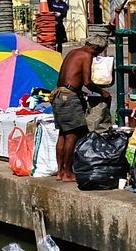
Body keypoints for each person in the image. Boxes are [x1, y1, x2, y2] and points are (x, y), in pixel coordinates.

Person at [50, 33, 111, 182]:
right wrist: (102, 92)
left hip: (59, 95)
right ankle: (68, 173)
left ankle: (60, 172)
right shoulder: (86, 55)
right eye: (98, 52)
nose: (97, 55)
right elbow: (87, 81)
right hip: (68, 98)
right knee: (72, 135)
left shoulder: (73, 52)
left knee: (63, 134)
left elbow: (69, 78)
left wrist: (77, 91)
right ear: (94, 48)